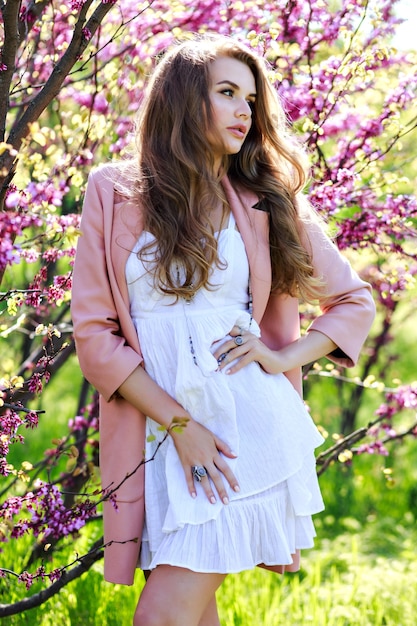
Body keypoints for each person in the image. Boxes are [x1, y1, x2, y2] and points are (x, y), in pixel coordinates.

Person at [71, 34, 376, 626]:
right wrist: (180, 425)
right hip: (161, 435)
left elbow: (352, 300)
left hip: (244, 434)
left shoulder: (263, 199)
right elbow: (94, 333)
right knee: (192, 610)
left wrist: (281, 359)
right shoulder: (113, 190)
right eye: (228, 93)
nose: (246, 111)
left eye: (252, 100)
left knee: (162, 615)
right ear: (185, 99)